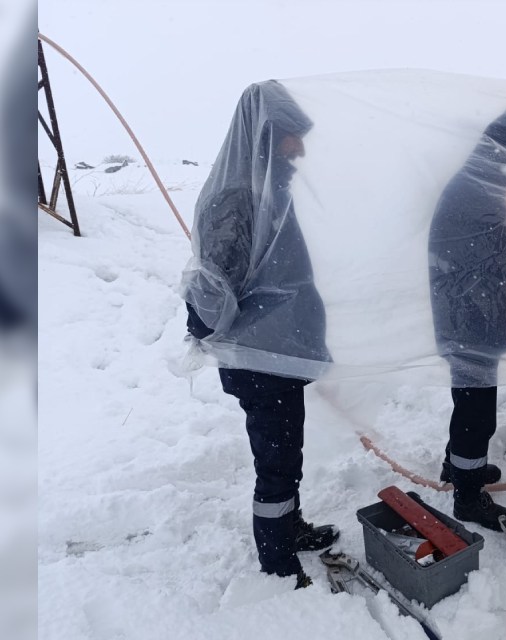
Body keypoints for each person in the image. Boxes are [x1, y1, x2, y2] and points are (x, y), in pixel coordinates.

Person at [181, 81, 338, 588]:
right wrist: (200, 325)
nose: (301, 148)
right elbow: (213, 286)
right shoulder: (237, 202)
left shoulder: (271, 193)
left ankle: (289, 527)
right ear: (267, 135)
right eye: (293, 136)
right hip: (259, 359)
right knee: (275, 463)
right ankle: (277, 561)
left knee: (284, 454)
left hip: (279, 353)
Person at [428, 108, 506, 530]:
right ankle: (468, 495)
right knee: (477, 415)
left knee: (468, 404)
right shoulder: (475, 198)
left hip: (467, 322)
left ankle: (457, 467)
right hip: (469, 326)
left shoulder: (475, 189)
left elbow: (491, 261)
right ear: (505, 158)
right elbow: (486, 268)